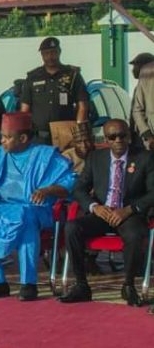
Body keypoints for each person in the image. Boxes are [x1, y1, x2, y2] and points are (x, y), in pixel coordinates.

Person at [0, 112, 75, 301]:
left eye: (7, 137)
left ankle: (28, 283)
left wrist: (48, 190)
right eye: (2, 136)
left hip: (35, 208)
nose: (2, 141)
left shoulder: (45, 155)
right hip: (0, 207)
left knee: (25, 217)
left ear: (23, 138)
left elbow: (70, 182)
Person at [58, 119, 154, 308]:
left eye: (122, 135)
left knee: (135, 235)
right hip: (103, 212)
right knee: (72, 228)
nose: (118, 140)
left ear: (129, 136)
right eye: (112, 136)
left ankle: (128, 285)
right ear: (106, 139)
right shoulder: (96, 158)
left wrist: (129, 210)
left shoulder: (145, 157)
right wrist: (95, 207)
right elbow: (79, 189)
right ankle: (81, 285)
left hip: (129, 213)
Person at [20, 37, 89, 145]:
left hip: (66, 134)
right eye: (46, 53)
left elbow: (83, 106)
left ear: (59, 52)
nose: (50, 57)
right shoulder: (33, 77)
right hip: (39, 137)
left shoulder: (72, 75)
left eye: (53, 52)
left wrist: (79, 132)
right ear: (42, 55)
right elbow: (25, 110)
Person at [131, 57, 154, 150]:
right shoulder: (148, 71)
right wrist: (148, 135)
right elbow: (137, 110)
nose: (133, 70)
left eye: (136, 66)